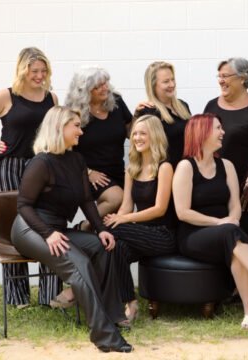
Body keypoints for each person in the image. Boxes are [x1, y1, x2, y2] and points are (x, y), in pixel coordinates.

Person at [10, 106, 132, 353]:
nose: (81, 131)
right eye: (76, 126)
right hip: (30, 229)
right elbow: (23, 205)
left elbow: (87, 201)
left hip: (56, 228)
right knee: (80, 264)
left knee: (102, 247)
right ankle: (105, 336)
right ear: (59, 127)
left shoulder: (76, 159)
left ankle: (112, 315)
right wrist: (48, 233)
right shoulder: (41, 163)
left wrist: (100, 230)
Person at [173, 113, 248, 330]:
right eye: (218, 128)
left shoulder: (226, 165)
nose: (223, 133)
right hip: (193, 235)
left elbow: (235, 205)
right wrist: (220, 223)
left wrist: (233, 219)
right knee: (232, 234)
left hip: (225, 231)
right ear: (202, 133)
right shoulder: (185, 167)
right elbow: (183, 212)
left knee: (235, 245)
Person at [0, 47, 61, 307]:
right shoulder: (7, 96)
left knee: (45, 222)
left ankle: (50, 296)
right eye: (34, 71)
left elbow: (55, 132)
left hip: (41, 167)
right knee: (13, 227)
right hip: (10, 167)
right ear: (23, 70)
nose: (39, 76)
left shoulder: (52, 98)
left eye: (43, 71)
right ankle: (18, 298)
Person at [104, 115, 178, 323]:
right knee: (115, 247)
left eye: (142, 133)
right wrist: (117, 217)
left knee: (109, 229)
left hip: (163, 235)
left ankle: (94, 292)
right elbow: (127, 204)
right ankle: (131, 304)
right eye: (135, 133)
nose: (137, 137)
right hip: (141, 233)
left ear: (154, 136)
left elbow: (159, 209)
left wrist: (123, 220)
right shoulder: (132, 169)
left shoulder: (164, 167)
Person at [204, 58, 248, 237]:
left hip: (245, 197)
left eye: (225, 76)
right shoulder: (211, 106)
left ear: (242, 78)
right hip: (214, 190)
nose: (221, 80)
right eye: (219, 76)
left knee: (242, 240)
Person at [65, 66, 132, 220]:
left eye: (106, 83)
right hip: (89, 173)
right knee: (116, 198)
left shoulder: (116, 101)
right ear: (85, 91)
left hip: (117, 169)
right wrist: (88, 172)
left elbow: (130, 127)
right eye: (98, 86)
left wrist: (142, 115)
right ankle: (86, 227)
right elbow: (65, 150)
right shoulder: (73, 113)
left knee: (120, 214)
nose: (105, 88)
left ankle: (101, 238)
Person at [134, 61, 192, 166]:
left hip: (188, 170)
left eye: (172, 79)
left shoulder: (183, 105)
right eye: (166, 81)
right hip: (165, 173)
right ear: (153, 85)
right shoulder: (149, 112)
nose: (172, 84)